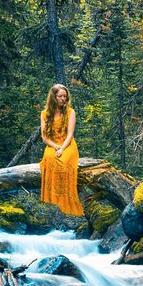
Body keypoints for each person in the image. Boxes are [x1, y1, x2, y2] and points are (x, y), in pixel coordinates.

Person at [39, 83, 84, 216]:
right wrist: (55, 146)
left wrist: (62, 148)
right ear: (54, 97)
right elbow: (44, 137)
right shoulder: (45, 114)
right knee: (50, 159)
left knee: (63, 161)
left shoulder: (70, 112)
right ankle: (53, 203)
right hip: (52, 144)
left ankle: (66, 205)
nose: (63, 99)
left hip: (68, 145)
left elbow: (70, 134)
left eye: (65, 96)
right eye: (60, 96)